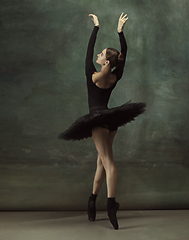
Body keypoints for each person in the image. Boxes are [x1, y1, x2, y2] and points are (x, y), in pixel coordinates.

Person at [58, 13, 146, 230]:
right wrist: (120, 33)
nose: (97, 56)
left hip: (98, 122)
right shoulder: (115, 76)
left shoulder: (92, 75)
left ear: (106, 61)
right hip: (111, 121)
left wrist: (96, 28)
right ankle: (92, 199)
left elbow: (88, 53)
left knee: (108, 162)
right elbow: (124, 56)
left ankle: (110, 204)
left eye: (101, 55)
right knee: (101, 162)